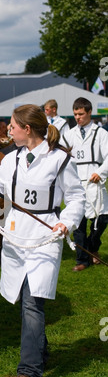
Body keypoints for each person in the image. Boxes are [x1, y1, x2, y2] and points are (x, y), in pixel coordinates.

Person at [0, 104, 85, 377]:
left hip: (45, 237)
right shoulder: (11, 159)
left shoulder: (60, 160)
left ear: (28, 129)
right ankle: (40, 351)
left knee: (33, 300)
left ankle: (29, 371)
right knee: (26, 300)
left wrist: (66, 222)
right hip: (14, 236)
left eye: (13, 126)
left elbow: (76, 198)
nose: (8, 130)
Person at [60, 97, 108, 271]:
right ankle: (82, 260)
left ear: (89, 112)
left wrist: (100, 173)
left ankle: (93, 248)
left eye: (81, 114)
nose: (78, 118)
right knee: (78, 224)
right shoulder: (68, 136)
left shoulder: (101, 133)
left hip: (94, 181)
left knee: (101, 220)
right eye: (75, 114)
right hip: (75, 184)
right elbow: (61, 157)